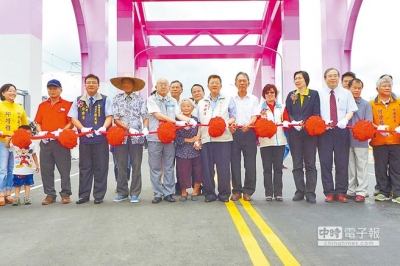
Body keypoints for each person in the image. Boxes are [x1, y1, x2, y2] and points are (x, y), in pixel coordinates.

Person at [68, 74, 113, 204]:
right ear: (85, 85)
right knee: (85, 167)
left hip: (100, 139)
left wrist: (104, 127)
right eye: (88, 82)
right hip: (85, 140)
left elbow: (109, 116)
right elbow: (73, 117)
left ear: (98, 85)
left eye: (94, 82)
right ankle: (83, 195)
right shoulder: (78, 100)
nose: (91, 84)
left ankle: (99, 195)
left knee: (101, 167)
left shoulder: (105, 99)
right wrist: (81, 128)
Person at [318, 68, 358, 203]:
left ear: (338, 78)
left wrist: (345, 120)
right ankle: (329, 192)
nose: (333, 78)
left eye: (335, 76)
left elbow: (351, 109)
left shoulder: (346, 93)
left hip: (341, 130)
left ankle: (341, 191)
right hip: (325, 132)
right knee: (325, 162)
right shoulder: (319, 94)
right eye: (330, 76)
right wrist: (322, 122)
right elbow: (315, 112)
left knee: (342, 162)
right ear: (325, 79)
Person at [197, 74, 236, 202]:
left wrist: (224, 124)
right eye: (212, 83)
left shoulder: (228, 99)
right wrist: (198, 138)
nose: (214, 85)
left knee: (223, 167)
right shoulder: (201, 102)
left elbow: (233, 116)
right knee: (207, 168)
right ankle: (209, 194)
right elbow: (198, 122)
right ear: (208, 86)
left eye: (217, 82)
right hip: (206, 138)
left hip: (223, 139)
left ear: (221, 85)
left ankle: (224, 194)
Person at [110, 74, 148, 203]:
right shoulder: (116, 99)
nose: (126, 85)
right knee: (121, 165)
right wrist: (127, 129)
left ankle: (135, 193)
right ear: (121, 85)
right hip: (121, 137)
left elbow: (145, 116)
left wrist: (145, 128)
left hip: (137, 137)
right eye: (124, 83)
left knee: (136, 165)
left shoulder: (140, 100)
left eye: (129, 83)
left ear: (133, 85)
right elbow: (115, 118)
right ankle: (122, 192)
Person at [35, 79, 73, 205]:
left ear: (60, 90)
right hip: (46, 142)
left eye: (55, 88)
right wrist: (41, 133)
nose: (52, 90)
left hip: (61, 142)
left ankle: (65, 193)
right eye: (50, 88)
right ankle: (50, 194)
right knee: (46, 169)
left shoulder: (67, 104)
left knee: (64, 169)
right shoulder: (42, 105)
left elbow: (71, 122)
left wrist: (62, 131)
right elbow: (38, 123)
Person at [147, 78, 185, 203]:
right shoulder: (151, 99)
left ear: (168, 87)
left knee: (169, 166)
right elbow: (158, 115)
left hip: (169, 138)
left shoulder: (172, 100)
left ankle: (169, 193)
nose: (163, 86)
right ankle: (157, 193)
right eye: (160, 84)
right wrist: (176, 122)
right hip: (154, 139)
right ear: (156, 87)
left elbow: (178, 114)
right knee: (155, 167)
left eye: (165, 84)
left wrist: (189, 121)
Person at [284, 71, 320, 204]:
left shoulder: (314, 94)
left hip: (310, 133)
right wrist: (294, 122)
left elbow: (316, 112)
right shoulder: (291, 95)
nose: (297, 80)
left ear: (306, 80)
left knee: (310, 164)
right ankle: (300, 191)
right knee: (297, 164)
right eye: (295, 79)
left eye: (299, 78)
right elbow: (288, 112)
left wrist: (305, 123)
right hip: (295, 134)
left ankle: (310, 193)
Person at [370, 77, 400, 204]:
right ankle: (383, 192)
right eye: (384, 86)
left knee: (396, 168)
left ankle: (397, 192)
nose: (387, 88)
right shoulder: (371, 104)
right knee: (380, 167)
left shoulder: (398, 102)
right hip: (379, 141)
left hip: (396, 141)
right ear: (377, 89)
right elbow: (367, 122)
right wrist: (377, 127)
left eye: (389, 85)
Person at [230, 72, 259, 201]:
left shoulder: (253, 99)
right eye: (239, 81)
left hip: (249, 132)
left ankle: (248, 191)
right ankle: (236, 190)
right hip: (234, 133)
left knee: (250, 163)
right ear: (235, 83)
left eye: (244, 81)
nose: (242, 83)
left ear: (248, 83)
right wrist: (230, 126)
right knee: (235, 163)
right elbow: (228, 115)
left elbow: (255, 115)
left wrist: (249, 124)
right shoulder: (231, 98)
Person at [0, 83, 29, 206]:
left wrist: (26, 137)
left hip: (16, 144)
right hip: (2, 142)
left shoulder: (19, 108)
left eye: (14, 91)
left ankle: (8, 193)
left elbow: (25, 125)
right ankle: (1, 193)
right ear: (3, 93)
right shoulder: (0, 106)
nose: (13, 93)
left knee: (13, 169)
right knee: (3, 169)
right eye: (9, 91)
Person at [259, 84, 287, 201]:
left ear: (275, 94)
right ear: (264, 95)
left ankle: (279, 193)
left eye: (272, 92)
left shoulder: (282, 107)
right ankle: (268, 193)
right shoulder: (260, 109)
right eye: (267, 93)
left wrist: (286, 122)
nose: (270, 94)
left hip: (279, 142)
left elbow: (286, 119)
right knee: (267, 169)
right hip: (265, 142)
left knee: (278, 168)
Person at [345, 78, 372, 203]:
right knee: (350, 165)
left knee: (361, 166)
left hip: (361, 140)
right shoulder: (345, 102)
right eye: (354, 87)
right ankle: (351, 189)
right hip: (346, 139)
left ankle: (361, 191)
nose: (356, 90)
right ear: (348, 88)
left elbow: (369, 122)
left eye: (359, 88)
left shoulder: (366, 104)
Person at [175, 99, 202, 201]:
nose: (186, 108)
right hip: (182, 149)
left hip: (196, 150)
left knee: (198, 171)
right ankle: (184, 192)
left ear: (192, 108)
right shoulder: (177, 120)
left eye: (188, 106)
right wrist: (190, 140)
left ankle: (195, 192)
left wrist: (198, 141)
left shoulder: (196, 120)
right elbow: (176, 137)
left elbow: (201, 133)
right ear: (181, 108)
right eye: (184, 106)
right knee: (183, 172)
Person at [6, 125, 39, 205]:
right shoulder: (14, 145)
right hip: (18, 170)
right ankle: (17, 197)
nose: (29, 135)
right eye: (27, 133)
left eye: (30, 133)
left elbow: (34, 155)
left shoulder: (32, 145)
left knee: (28, 183)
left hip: (28, 169)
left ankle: (27, 197)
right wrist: (9, 138)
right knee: (17, 184)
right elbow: (7, 146)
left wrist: (37, 165)